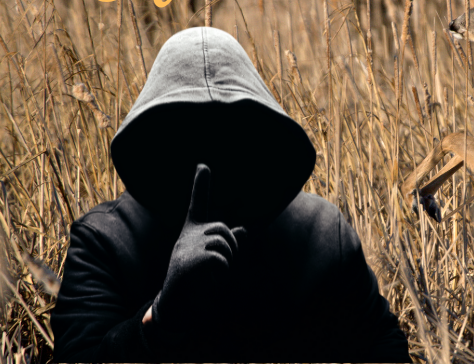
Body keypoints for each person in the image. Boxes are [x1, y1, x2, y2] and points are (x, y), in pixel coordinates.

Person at [51, 27, 411, 362]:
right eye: (187, 138)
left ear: (262, 143)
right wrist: (160, 317)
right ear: (154, 147)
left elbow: (384, 346)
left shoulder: (322, 234)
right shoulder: (106, 240)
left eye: (229, 138)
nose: (209, 160)